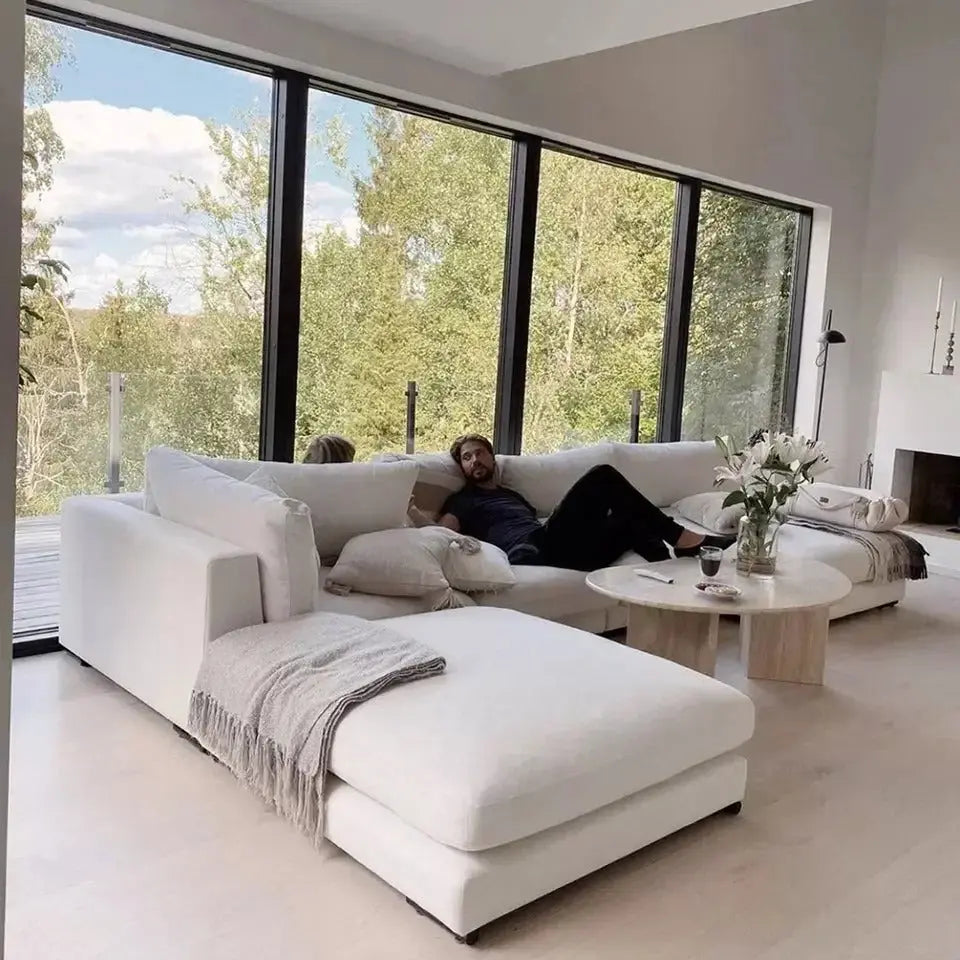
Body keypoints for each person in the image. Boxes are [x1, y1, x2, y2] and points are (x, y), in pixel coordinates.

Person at [438, 434, 732, 571]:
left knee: (630, 521)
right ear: (462, 468)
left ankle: (674, 580)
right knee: (601, 476)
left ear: (491, 457)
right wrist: (413, 513)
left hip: (572, 554)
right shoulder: (463, 501)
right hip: (534, 550)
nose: (474, 459)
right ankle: (683, 538)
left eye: (479, 453)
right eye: (466, 457)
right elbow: (439, 533)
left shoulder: (512, 496)